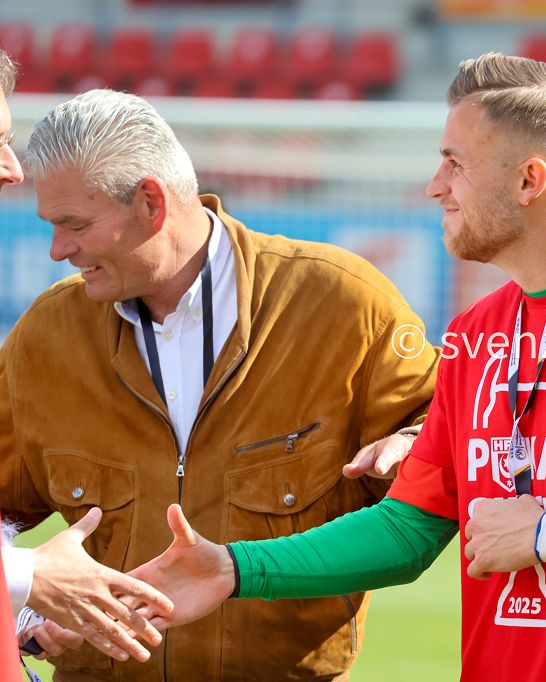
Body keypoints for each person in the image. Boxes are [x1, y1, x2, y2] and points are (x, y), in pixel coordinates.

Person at [128, 52, 546, 681]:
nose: (434, 185)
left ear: (528, 181)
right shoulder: (476, 333)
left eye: (455, 164)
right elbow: (408, 529)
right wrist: (232, 568)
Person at [0, 88, 439, 681]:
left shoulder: (345, 305)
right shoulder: (46, 334)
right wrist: (27, 601)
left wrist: (415, 440)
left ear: (151, 202)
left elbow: (445, 451)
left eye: (73, 224)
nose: (57, 250)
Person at [0, 51, 179, 670]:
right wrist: (26, 576)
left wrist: (19, 608)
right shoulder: (51, 328)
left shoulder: (332, 297)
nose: (12, 170)